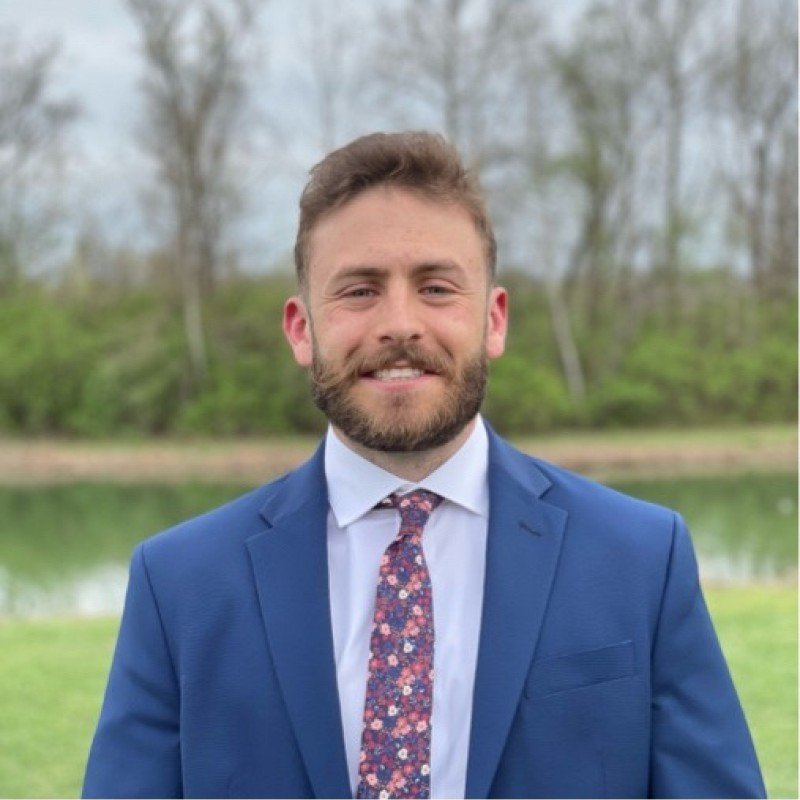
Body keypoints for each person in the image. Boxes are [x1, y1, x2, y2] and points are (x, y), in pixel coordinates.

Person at [83, 131, 765, 799]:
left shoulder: (640, 559)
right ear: (301, 329)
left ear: (494, 320)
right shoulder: (180, 586)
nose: (400, 323)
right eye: (359, 291)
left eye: (437, 288)